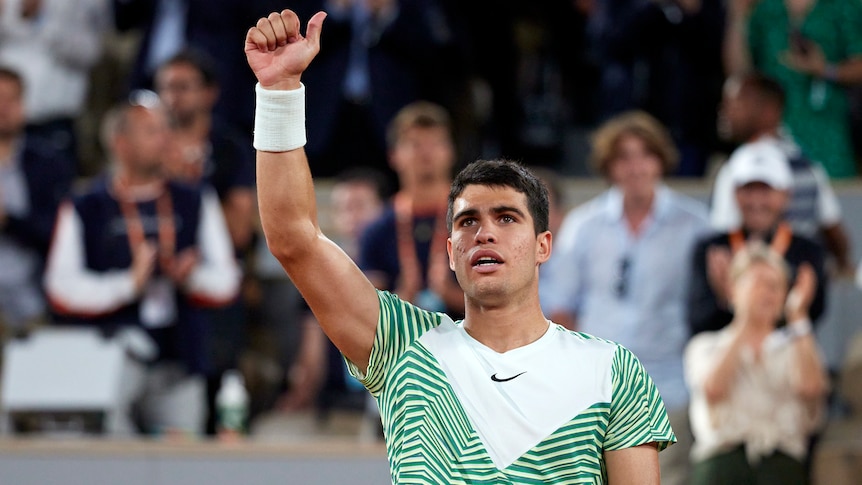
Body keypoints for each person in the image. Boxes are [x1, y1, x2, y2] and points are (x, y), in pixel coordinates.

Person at [246, 10, 674, 483]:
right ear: (451, 252)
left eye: (507, 218)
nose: (484, 233)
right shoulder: (403, 347)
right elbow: (294, 238)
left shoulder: (611, 369)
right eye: (468, 222)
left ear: (543, 246)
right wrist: (280, 91)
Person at [43, 91, 240, 435]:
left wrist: (190, 279)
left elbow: (226, 281)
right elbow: (60, 287)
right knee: (111, 459)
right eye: (151, 132)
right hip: (108, 356)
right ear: (120, 143)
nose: (164, 139)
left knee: (181, 461)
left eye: (166, 129)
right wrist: (126, 286)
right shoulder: (85, 205)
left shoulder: (195, 199)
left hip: (180, 356)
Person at [543, 111, 710, 485]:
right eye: (624, 157)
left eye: (645, 154)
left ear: (660, 160)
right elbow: (561, 311)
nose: (636, 167)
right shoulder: (583, 227)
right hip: (597, 390)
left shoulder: (697, 225)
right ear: (609, 166)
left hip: (670, 384)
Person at [685, 242, 828, 484]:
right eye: (757, 283)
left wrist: (799, 319)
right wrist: (744, 322)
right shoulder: (707, 345)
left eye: (775, 286)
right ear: (733, 289)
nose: (766, 293)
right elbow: (713, 388)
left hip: (782, 464)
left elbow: (812, 389)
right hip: (723, 463)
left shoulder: (800, 347)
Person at [711, 72, 852, 274]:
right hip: (797, 285)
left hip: (754, 292)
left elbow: (723, 242)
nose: (725, 112)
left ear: (769, 111)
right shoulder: (810, 167)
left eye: (736, 103)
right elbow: (835, 236)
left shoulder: (735, 170)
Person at [689, 140, 827, 336]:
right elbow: (700, 323)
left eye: (766, 190)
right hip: (728, 362)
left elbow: (812, 317)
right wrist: (726, 302)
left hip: (785, 360)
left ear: (785, 195)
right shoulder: (711, 249)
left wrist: (734, 298)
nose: (756, 201)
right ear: (735, 194)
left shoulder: (808, 251)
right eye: (748, 190)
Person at [723, 0, 862, 178]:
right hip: (770, 128)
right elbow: (738, 74)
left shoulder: (843, 6)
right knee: (763, 194)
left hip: (826, 131)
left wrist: (826, 70)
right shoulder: (765, 8)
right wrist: (740, 16)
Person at [359, 101, 464, 316]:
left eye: (436, 143)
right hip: (401, 345)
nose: (426, 153)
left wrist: (452, 296)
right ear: (393, 156)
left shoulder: (476, 219)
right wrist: (400, 300)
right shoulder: (377, 230)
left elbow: (504, 303)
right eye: (415, 144)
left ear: (451, 152)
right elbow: (365, 314)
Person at [0, 67, 74, 340]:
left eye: (11, 100)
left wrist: (9, 220)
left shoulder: (47, 163)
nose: (3, 108)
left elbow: (58, 234)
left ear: (24, 106)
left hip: (31, 305)